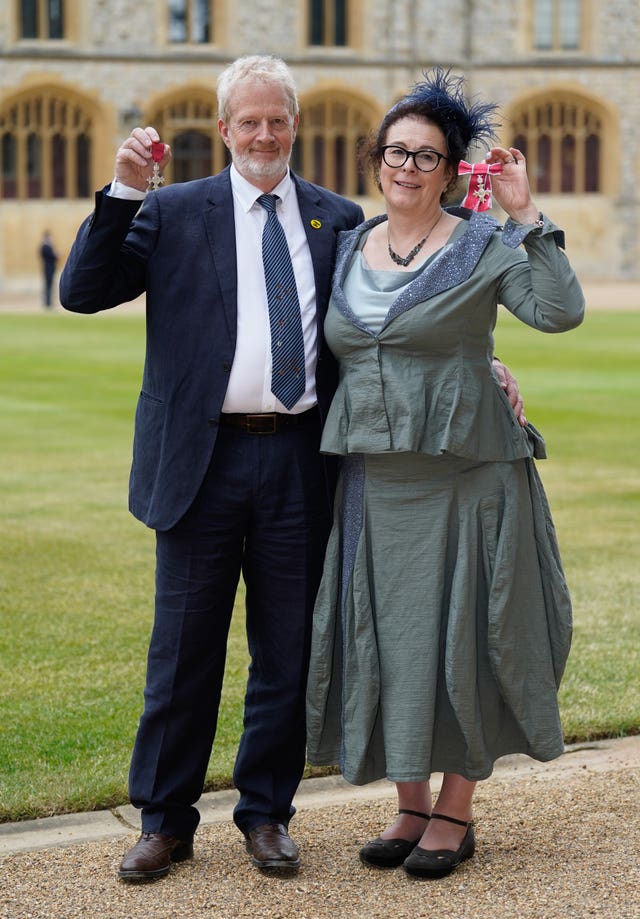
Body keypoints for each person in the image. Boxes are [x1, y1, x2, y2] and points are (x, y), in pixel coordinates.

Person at [59, 55, 522, 881]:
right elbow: (84, 289)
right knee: (183, 654)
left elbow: (393, 314)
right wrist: (125, 190)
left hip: (302, 460)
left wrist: (479, 366)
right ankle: (163, 821)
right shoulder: (171, 210)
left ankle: (266, 815)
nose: (264, 134)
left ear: (295, 126)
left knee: (286, 655)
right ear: (225, 129)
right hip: (200, 459)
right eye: (249, 121)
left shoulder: (339, 219)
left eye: (277, 119)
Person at [305, 68, 585, 881]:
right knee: (389, 639)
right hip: (375, 479)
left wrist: (525, 212)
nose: (408, 166)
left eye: (427, 156)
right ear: (376, 157)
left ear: (453, 168)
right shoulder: (352, 244)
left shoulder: (483, 243)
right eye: (397, 150)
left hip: (467, 473)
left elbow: (557, 311)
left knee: (465, 633)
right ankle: (408, 801)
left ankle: (454, 810)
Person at [40, 231, 58, 308]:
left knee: (49, 285)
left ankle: (49, 302)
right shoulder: (45, 247)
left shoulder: (48, 246)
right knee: (48, 286)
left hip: (49, 268)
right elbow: (51, 256)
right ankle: (48, 303)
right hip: (48, 268)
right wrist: (55, 254)